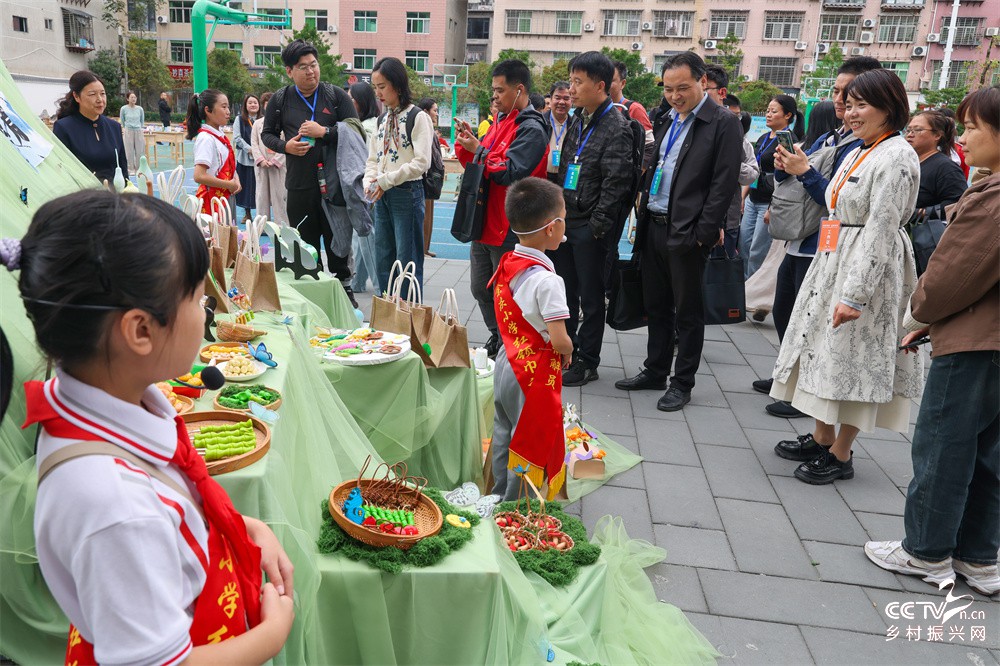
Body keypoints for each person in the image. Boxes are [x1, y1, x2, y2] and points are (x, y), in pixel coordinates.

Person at [7, 190, 294, 663]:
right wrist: (273, 633)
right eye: (198, 299)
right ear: (140, 331)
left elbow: (168, 524)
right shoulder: (112, 504)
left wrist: (247, 528)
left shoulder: (103, 401)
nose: (206, 313)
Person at [864, 85, 1000, 597]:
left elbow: (952, 276)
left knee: (944, 447)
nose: (963, 138)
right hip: (986, 336)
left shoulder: (992, 199)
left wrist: (922, 311)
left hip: (973, 345)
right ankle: (978, 558)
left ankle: (925, 550)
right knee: (987, 455)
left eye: (972, 128)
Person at [769, 69, 923, 484]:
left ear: (889, 107)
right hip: (834, 258)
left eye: (861, 104)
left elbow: (881, 228)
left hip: (866, 267)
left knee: (852, 358)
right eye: (848, 103)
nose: (851, 112)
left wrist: (856, 295)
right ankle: (822, 438)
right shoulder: (861, 147)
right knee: (820, 349)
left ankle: (841, 452)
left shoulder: (897, 156)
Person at [615, 52, 741, 411]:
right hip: (654, 222)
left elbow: (723, 182)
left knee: (687, 311)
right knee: (656, 304)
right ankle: (655, 370)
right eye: (669, 89)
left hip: (687, 230)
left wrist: (704, 231)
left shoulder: (721, 122)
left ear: (703, 82)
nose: (674, 95)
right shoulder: (667, 117)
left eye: (682, 88)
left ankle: (682, 382)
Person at [760, 57, 882, 421]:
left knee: (809, 315)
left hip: (829, 243)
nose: (842, 101)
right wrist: (787, 169)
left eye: (853, 94)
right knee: (787, 308)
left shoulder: (871, 149)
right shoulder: (835, 139)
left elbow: (842, 206)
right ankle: (790, 376)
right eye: (837, 91)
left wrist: (806, 173)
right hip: (805, 237)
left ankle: (804, 391)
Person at [454, 59, 549, 359]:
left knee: (506, 294)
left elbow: (510, 171)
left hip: (510, 223)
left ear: (519, 89)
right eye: (493, 90)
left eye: (499, 90)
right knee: (481, 288)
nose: (494, 96)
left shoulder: (531, 128)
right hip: (485, 219)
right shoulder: (499, 122)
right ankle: (498, 336)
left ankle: (514, 345)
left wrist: (478, 149)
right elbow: (479, 163)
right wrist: (471, 143)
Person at [488, 177, 573, 501]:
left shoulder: (509, 263)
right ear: (551, 228)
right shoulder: (549, 282)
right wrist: (568, 350)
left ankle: (498, 491)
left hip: (506, 361)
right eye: (564, 215)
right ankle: (517, 506)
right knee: (530, 435)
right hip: (533, 373)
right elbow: (559, 339)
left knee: (503, 429)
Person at [553, 51, 634, 387]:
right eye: (571, 81)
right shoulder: (577, 119)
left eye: (578, 82)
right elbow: (565, 169)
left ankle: (588, 360)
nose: (571, 89)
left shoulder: (617, 126)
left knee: (590, 295)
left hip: (590, 227)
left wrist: (596, 228)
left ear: (600, 85)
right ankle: (567, 352)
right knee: (565, 292)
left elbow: (617, 184)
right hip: (567, 219)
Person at [262, 40, 359, 294]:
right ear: (289, 71)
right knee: (306, 243)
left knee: (337, 238)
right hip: (299, 183)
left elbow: (356, 131)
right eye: (303, 67)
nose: (310, 71)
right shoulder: (281, 99)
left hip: (334, 182)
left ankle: (344, 290)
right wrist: (286, 147)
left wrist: (324, 131)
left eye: (313, 65)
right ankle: (313, 290)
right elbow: (267, 134)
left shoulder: (335, 96)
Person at [365, 56, 434, 289]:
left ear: (398, 84)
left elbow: (421, 162)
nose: (378, 93)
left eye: (382, 86)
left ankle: (408, 318)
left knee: (408, 262)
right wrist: (370, 180)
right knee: (383, 259)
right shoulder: (382, 119)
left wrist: (386, 180)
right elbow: (373, 157)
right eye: (375, 87)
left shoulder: (418, 117)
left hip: (407, 193)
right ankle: (387, 312)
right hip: (382, 193)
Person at [739, 94, 804, 278]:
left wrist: (772, 207)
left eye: (774, 111)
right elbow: (755, 169)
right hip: (753, 199)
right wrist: (743, 197)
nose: (768, 114)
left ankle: (752, 292)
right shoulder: (763, 138)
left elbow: (787, 177)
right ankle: (744, 287)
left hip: (769, 202)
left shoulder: (787, 140)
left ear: (787, 115)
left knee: (757, 251)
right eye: (768, 111)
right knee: (743, 245)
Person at [706, 66, 757, 257]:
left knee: (720, 275)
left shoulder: (740, 140)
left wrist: (729, 164)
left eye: (706, 89)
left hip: (727, 219)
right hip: (690, 219)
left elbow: (751, 174)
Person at [52, 71, 127, 184]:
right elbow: (61, 172)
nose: (100, 99)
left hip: (114, 197)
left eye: (102, 94)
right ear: (77, 96)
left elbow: (123, 170)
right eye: (92, 94)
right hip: (83, 198)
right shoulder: (63, 128)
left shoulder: (114, 127)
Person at [905, 110, 967, 222]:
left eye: (918, 130)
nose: (910, 134)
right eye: (908, 130)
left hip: (923, 234)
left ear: (937, 135)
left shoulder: (946, 167)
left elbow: (958, 204)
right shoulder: (907, 162)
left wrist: (920, 213)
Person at [348, 82, 381, 294]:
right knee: (360, 237)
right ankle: (358, 281)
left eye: (351, 99)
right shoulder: (372, 124)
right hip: (368, 186)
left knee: (365, 236)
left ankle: (381, 286)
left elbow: (367, 161)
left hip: (365, 187)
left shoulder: (366, 129)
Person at [187, 89, 240, 214]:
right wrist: (229, 184)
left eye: (228, 107)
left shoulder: (219, 135)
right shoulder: (206, 138)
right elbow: (199, 176)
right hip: (211, 200)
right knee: (215, 233)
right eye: (223, 107)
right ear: (208, 110)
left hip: (224, 196)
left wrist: (235, 179)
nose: (228, 111)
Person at [251, 92, 287, 226]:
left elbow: (286, 144)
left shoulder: (284, 123)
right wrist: (260, 160)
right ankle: (262, 225)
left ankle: (282, 225)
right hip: (262, 165)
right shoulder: (257, 124)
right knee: (262, 196)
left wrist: (275, 161)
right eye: (267, 104)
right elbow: (254, 143)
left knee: (280, 195)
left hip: (277, 165)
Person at [416, 97, 444, 258]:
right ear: (425, 111)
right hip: (425, 176)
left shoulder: (430, 129)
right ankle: (422, 249)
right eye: (434, 110)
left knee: (429, 214)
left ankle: (426, 248)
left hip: (432, 176)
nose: (437, 114)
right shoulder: (424, 129)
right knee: (424, 215)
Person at [233, 94, 260, 222]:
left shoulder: (263, 119)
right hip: (245, 158)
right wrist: (249, 149)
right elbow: (237, 138)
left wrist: (258, 151)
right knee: (245, 186)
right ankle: (247, 213)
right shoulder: (239, 119)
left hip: (260, 158)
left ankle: (261, 214)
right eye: (250, 102)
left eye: (255, 102)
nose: (253, 104)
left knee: (259, 186)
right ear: (245, 105)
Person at [545, 81, 572, 186]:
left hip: (566, 179)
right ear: (551, 99)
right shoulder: (540, 122)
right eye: (557, 98)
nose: (561, 102)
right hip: (543, 177)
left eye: (566, 98)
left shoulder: (576, 124)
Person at [119, 91, 145, 176]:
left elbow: (142, 120)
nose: (134, 99)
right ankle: (130, 169)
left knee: (139, 151)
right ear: (127, 99)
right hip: (128, 131)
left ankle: (139, 168)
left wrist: (140, 128)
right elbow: (122, 119)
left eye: (135, 97)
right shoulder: (124, 109)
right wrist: (124, 127)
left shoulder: (140, 109)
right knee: (129, 151)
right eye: (132, 97)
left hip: (138, 130)